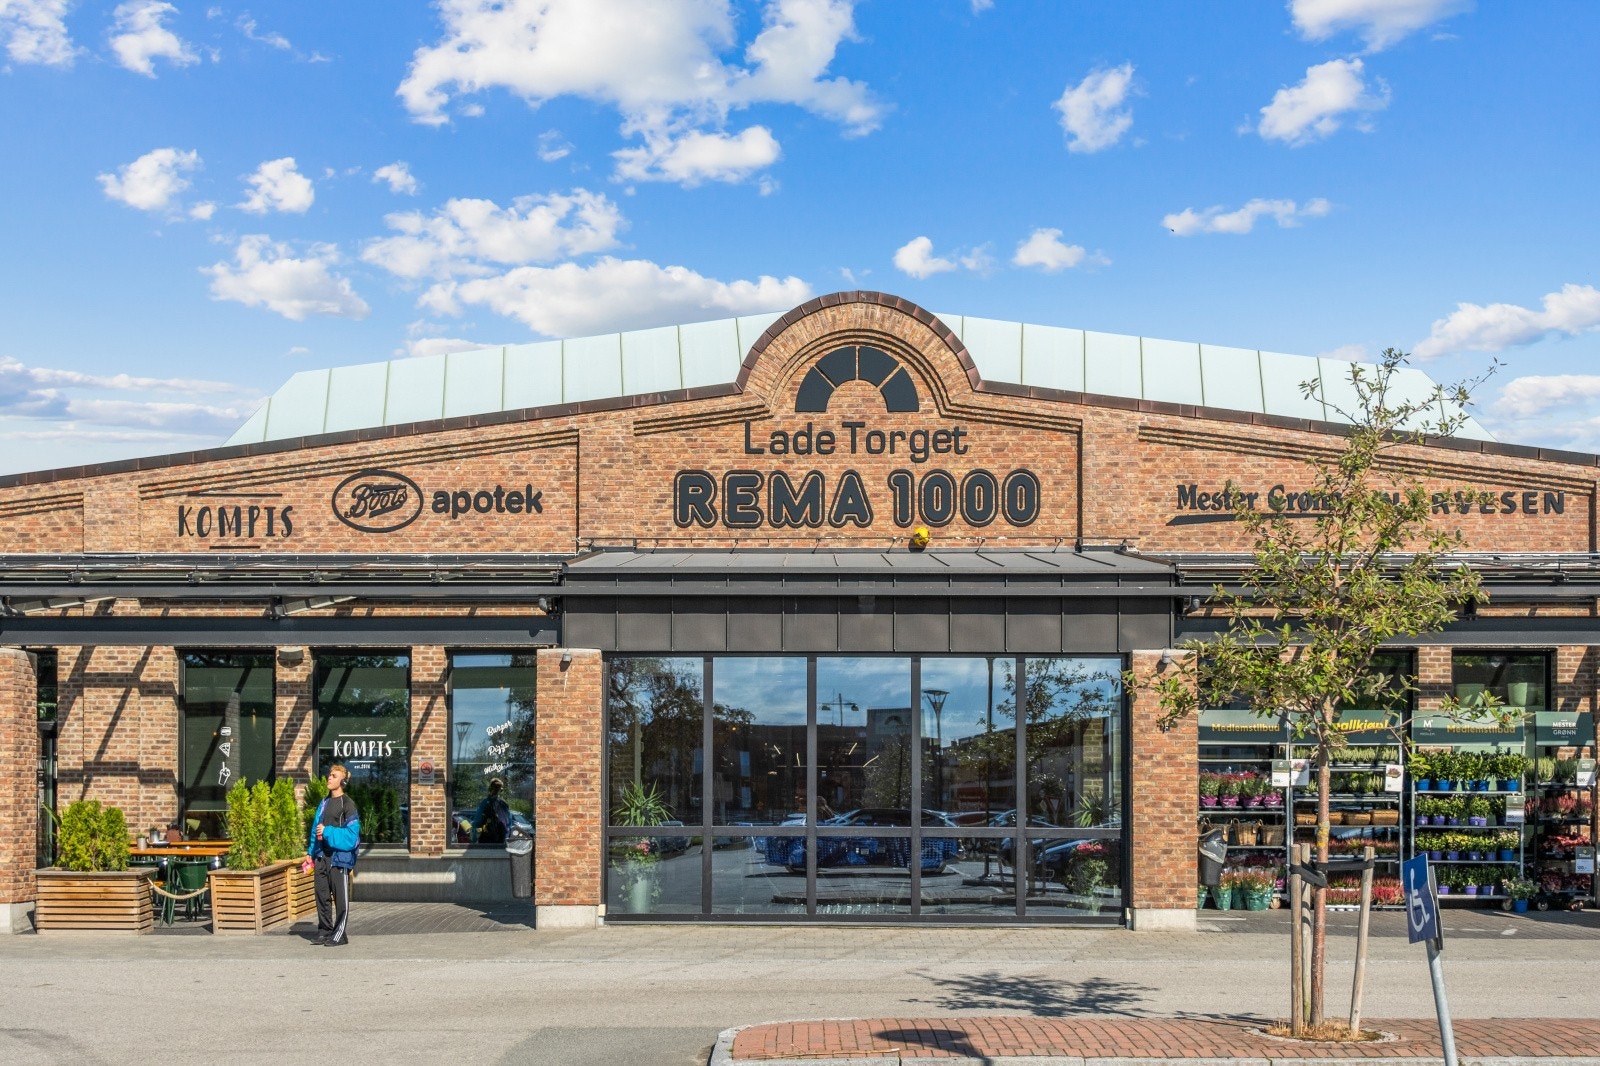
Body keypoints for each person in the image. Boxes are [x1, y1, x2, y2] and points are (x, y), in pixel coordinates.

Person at [307, 763, 360, 946]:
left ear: (343, 780)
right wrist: (310, 852)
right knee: (321, 895)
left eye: (334, 775)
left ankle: (339, 935)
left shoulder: (348, 804)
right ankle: (324, 931)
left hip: (339, 859)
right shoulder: (323, 803)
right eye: (329, 775)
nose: (329, 778)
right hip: (321, 856)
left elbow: (352, 837)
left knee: (340, 899)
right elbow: (315, 829)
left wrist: (328, 831)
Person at [474, 777, 511, 845]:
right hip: (499, 836)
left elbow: (477, 821)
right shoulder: (503, 803)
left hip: (486, 836)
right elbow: (507, 822)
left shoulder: (485, 802)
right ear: (500, 790)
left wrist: (474, 835)